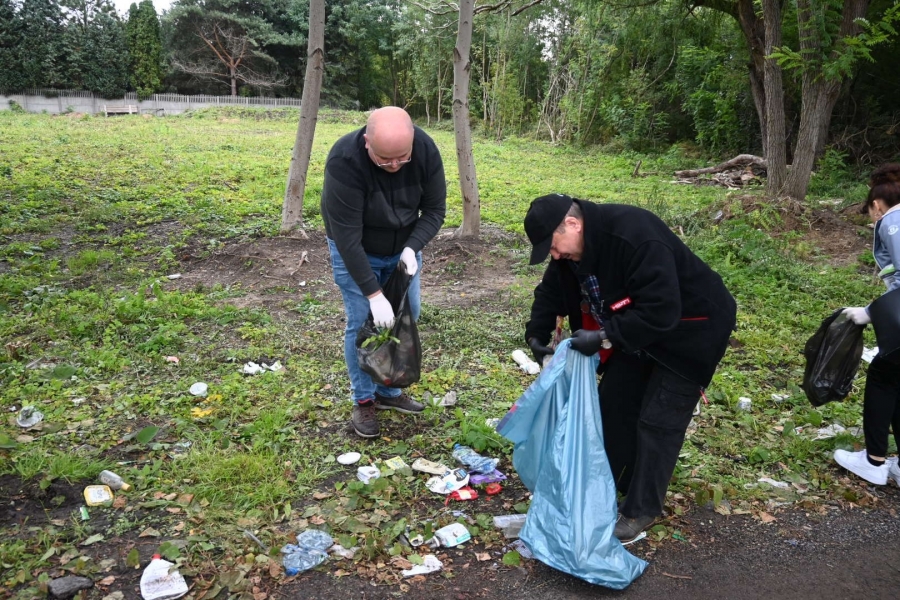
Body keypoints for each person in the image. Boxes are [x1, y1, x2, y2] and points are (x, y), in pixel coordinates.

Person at [523, 193, 737, 542]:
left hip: (693, 329)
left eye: (554, 246)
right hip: (637, 330)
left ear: (573, 225)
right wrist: (536, 335)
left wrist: (603, 336)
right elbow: (550, 293)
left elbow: (662, 310)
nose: (555, 255)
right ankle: (606, 488)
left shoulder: (635, 235)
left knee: (658, 421)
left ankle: (641, 509)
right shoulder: (571, 254)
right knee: (613, 404)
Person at [321, 106, 446, 438]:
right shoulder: (344, 161)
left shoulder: (425, 150)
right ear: (367, 142)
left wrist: (411, 247)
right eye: (384, 160)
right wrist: (374, 295)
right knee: (363, 322)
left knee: (407, 314)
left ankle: (388, 391)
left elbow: (435, 209)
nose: (394, 166)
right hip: (356, 248)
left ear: (412, 140)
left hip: (403, 247)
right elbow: (347, 238)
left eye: (401, 158)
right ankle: (364, 400)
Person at [834, 164, 900, 486]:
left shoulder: (892, 222)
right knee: (897, 381)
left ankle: (874, 461)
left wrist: (871, 312)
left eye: (871, 213)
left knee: (882, 379)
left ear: (876, 204)